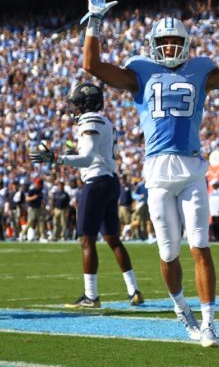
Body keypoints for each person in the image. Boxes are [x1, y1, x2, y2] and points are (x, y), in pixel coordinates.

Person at [81, 0, 219, 347]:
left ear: (187, 45)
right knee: (168, 252)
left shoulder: (200, 69)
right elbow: (92, 65)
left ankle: (209, 323)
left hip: (193, 168)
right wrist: (94, 23)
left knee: (200, 246)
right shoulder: (140, 71)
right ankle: (182, 309)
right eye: (163, 44)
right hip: (158, 171)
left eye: (175, 43)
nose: (170, 49)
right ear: (153, 46)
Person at [30, 83, 144, 308]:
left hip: (96, 182)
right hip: (110, 181)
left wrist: (57, 158)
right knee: (113, 239)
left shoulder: (90, 121)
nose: (75, 107)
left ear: (87, 103)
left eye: (78, 103)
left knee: (86, 239)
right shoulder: (105, 121)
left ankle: (91, 296)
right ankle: (134, 291)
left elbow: (87, 158)